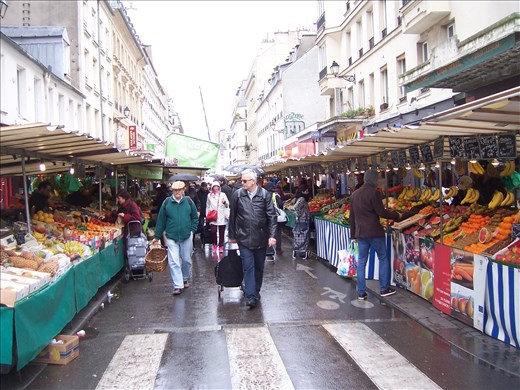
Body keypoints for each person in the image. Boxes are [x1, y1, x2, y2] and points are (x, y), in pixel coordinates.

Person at [349, 169, 402, 300]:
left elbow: (352, 217)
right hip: (375, 232)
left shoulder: (354, 194)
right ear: (373, 179)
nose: (379, 180)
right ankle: (384, 288)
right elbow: (381, 212)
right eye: (377, 178)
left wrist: (353, 235)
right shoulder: (374, 193)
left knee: (361, 262)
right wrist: (397, 215)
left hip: (361, 233)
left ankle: (361, 292)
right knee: (383, 258)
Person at [228, 169, 277, 309]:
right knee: (248, 267)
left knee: (259, 267)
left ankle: (256, 291)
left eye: (244, 181)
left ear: (253, 181)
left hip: (261, 237)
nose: (242, 183)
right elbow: (233, 216)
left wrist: (272, 236)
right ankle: (251, 296)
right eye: (241, 180)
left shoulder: (264, 195)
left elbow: (271, 216)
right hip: (243, 237)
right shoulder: (237, 195)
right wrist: (232, 235)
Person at [152, 181, 199, 296]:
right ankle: (178, 285)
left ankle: (185, 277)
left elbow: (195, 217)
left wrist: (192, 230)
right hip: (171, 236)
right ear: (172, 191)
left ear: (183, 190)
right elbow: (161, 220)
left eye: (179, 190)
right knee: (174, 261)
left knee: (187, 259)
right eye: (175, 190)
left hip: (186, 235)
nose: (177, 192)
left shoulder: (188, 201)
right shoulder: (167, 202)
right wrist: (157, 236)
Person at [206, 181, 230, 253]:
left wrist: (225, 202)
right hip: (213, 215)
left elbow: (227, 205)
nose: (216, 188)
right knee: (213, 231)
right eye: (214, 187)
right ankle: (214, 244)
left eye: (217, 187)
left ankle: (220, 246)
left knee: (221, 232)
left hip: (222, 215)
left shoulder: (223, 194)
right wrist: (207, 215)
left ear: (219, 187)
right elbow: (208, 205)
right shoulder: (209, 195)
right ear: (212, 187)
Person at [263, 182, 284, 254]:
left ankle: (269, 250)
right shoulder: (275, 195)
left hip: (265, 217)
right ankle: (278, 249)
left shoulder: (263, 194)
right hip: (275, 217)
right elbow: (281, 204)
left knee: (267, 233)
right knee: (277, 232)